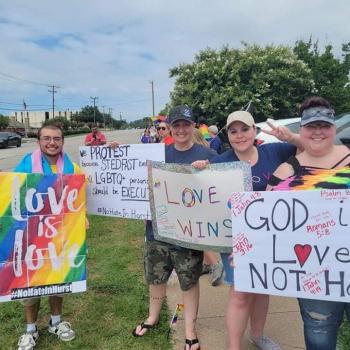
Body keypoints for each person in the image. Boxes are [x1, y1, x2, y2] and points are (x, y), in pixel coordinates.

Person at [193, 110, 302, 350]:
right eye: (233, 131)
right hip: (236, 239)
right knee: (240, 292)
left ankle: (258, 336)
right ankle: (234, 346)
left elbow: (313, 149)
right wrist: (200, 168)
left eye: (245, 129)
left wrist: (291, 137)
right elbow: (201, 192)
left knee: (262, 289)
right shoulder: (220, 162)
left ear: (255, 130)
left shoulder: (275, 152)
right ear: (228, 135)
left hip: (270, 238)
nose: (240, 135)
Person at [268, 97, 350, 350]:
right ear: (301, 130)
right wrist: (252, 252)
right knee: (319, 333)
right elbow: (265, 222)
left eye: (324, 126)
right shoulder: (287, 171)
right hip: (315, 272)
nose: (317, 132)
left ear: (333, 128)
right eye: (311, 126)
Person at [133, 105, 216, 350]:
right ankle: (153, 317)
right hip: (157, 229)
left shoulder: (207, 155)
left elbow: (218, 191)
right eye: (176, 125)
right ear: (169, 127)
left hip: (189, 233)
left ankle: (190, 329)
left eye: (185, 124)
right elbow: (132, 170)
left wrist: (208, 170)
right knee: (156, 276)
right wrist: (117, 152)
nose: (181, 129)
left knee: (189, 281)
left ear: (193, 127)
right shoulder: (158, 153)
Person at [15, 124, 82, 350]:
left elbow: (82, 191)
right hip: (32, 235)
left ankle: (56, 322)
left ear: (63, 142)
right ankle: (30, 330)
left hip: (59, 233)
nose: (52, 143)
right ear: (39, 141)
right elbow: (11, 192)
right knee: (31, 285)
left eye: (56, 139)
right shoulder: (26, 163)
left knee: (58, 279)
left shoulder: (70, 165)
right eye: (47, 138)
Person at [191, 128, 224, 286]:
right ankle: (207, 264)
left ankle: (215, 264)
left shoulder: (207, 154)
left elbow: (220, 170)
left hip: (204, 200)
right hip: (195, 200)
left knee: (198, 234)